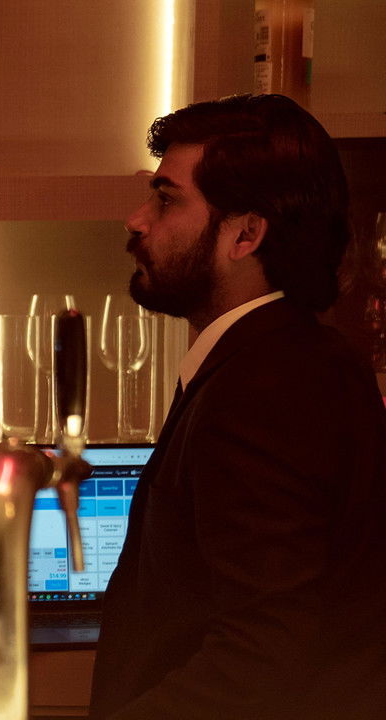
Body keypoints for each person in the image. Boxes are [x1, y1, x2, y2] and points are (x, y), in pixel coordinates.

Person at [89, 93, 386, 719]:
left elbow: (260, 659)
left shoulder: (268, 387)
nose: (137, 220)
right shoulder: (292, 359)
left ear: (246, 234)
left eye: (166, 199)